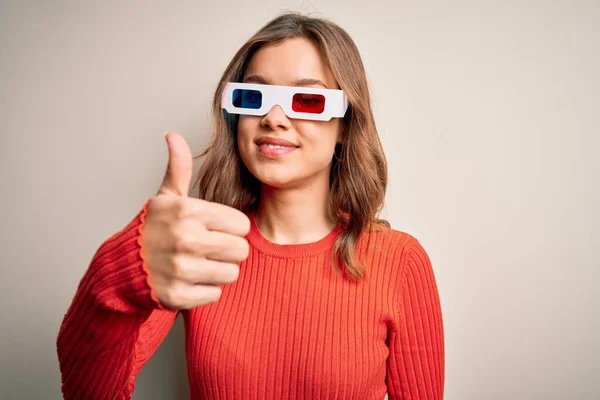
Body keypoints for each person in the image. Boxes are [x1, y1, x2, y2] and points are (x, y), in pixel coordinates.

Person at [57, 12, 445, 400]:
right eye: (254, 97)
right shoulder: (198, 249)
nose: (273, 118)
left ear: (344, 125)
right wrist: (116, 274)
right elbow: (89, 394)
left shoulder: (400, 261)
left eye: (306, 99)